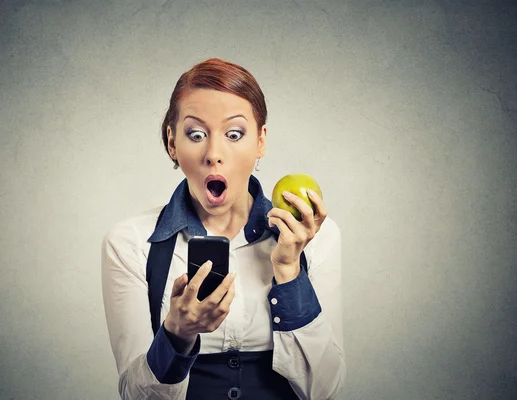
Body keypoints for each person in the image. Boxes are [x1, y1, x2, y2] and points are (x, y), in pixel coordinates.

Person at [102, 58, 345, 400]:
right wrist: (176, 333)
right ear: (173, 143)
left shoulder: (313, 236)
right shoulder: (130, 243)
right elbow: (136, 395)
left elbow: (325, 391)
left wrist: (289, 271)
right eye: (196, 134)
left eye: (234, 134)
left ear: (260, 141)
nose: (214, 154)